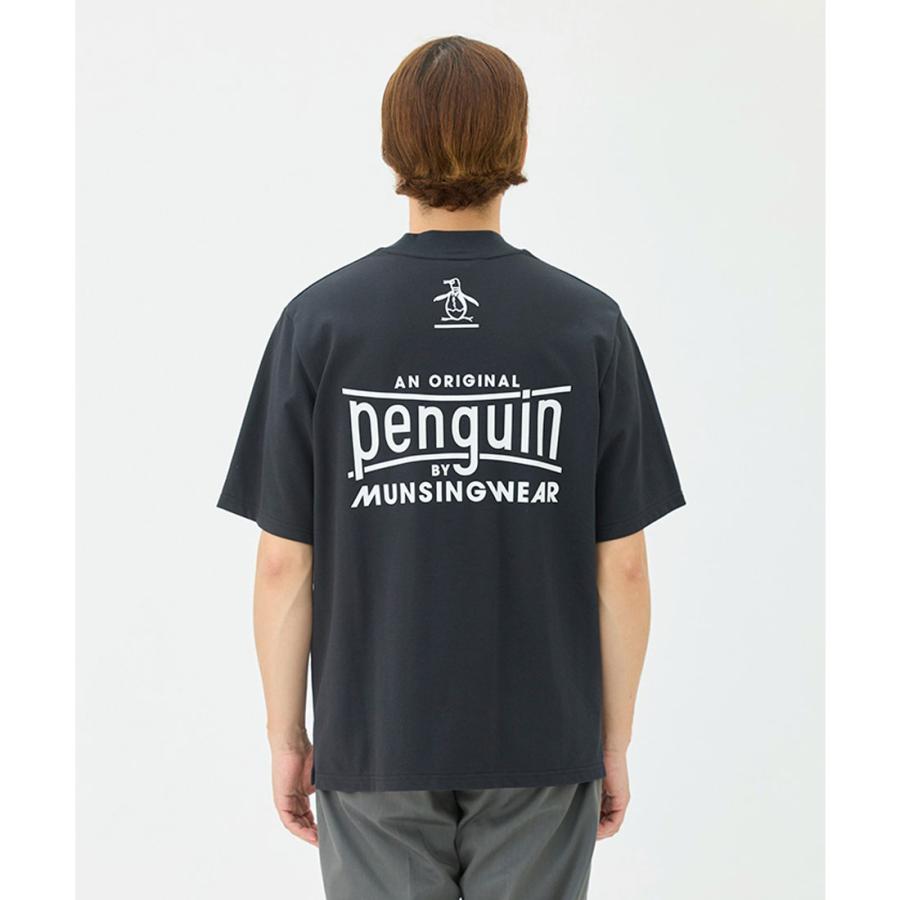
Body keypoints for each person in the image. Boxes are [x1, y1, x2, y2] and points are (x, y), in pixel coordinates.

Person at [218, 35, 684, 900]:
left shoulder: (320, 323)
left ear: (391, 146)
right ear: (520, 144)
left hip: (375, 739)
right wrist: (612, 739)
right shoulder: (588, 326)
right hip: (542, 741)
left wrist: (287, 735)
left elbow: (284, 563)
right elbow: (621, 566)